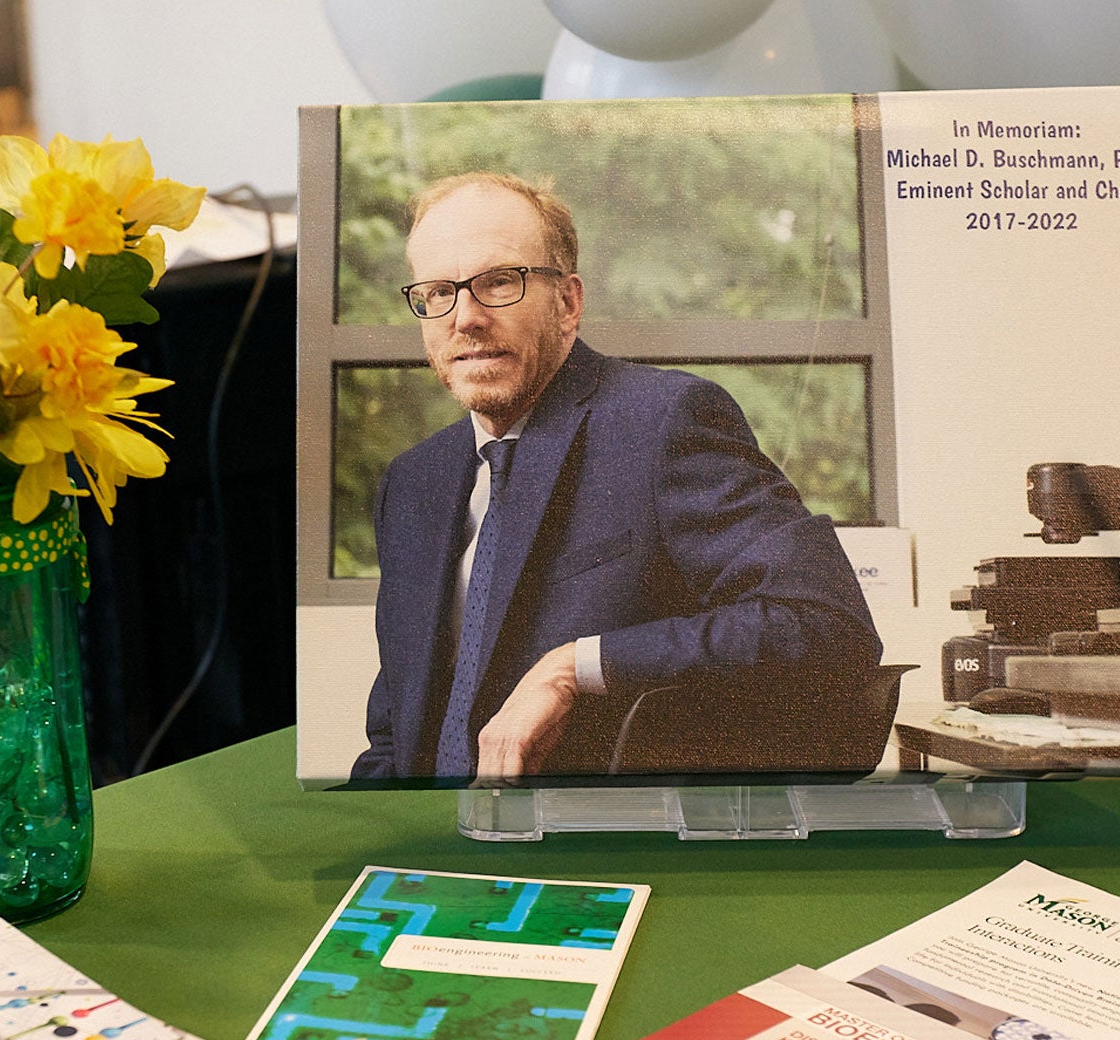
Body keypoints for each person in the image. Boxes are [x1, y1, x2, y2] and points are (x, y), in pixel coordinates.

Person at [351, 171, 880, 781]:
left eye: (499, 282)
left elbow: (826, 626)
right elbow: (397, 728)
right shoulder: (413, 482)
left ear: (568, 302)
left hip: (602, 841)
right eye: (438, 292)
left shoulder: (664, 423)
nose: (464, 317)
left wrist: (574, 666)